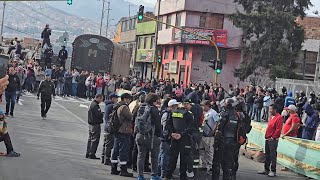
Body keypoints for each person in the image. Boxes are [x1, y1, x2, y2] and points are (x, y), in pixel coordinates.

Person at [165, 99, 195, 180]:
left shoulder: (172, 113)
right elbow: (191, 128)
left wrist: (172, 133)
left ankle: (168, 176)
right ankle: (182, 177)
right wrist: (181, 134)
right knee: (184, 160)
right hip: (185, 139)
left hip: (174, 138)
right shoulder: (188, 114)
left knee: (172, 158)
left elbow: (168, 125)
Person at [212, 98, 240, 180]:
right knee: (228, 163)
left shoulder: (224, 114)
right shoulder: (237, 115)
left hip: (222, 140)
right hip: (233, 141)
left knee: (217, 162)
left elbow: (219, 129)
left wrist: (215, 142)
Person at [136, 93, 162, 180]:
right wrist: (159, 135)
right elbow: (158, 124)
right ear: (154, 101)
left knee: (141, 156)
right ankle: (154, 175)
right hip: (152, 135)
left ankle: (140, 176)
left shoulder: (140, 107)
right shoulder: (154, 110)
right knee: (154, 156)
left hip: (140, 134)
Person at [110, 93, 134, 177]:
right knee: (123, 150)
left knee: (116, 149)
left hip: (117, 130)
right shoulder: (124, 107)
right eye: (129, 99)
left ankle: (113, 168)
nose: (129, 101)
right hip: (123, 131)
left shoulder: (117, 106)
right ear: (125, 99)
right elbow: (131, 117)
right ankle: (123, 170)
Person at [258, 104, 283, 177]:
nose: (269, 110)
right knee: (267, 155)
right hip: (268, 138)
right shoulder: (271, 117)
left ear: (275, 110)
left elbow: (278, 129)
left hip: (273, 139)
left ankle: (273, 170)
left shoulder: (279, 118)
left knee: (272, 155)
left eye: (271, 109)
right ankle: (266, 169)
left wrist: (273, 137)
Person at [158, 99, 179, 178]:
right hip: (165, 138)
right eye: (175, 106)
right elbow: (165, 127)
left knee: (162, 155)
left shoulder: (164, 112)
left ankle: (159, 172)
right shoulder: (168, 114)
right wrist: (170, 134)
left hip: (163, 137)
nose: (176, 107)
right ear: (172, 106)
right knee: (164, 156)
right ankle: (163, 174)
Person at [199, 100, 219, 175]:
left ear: (207, 105)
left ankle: (210, 167)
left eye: (203, 105)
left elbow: (217, 122)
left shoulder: (213, 112)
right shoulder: (203, 112)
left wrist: (213, 131)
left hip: (209, 135)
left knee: (209, 151)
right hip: (202, 134)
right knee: (202, 150)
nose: (202, 107)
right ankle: (203, 165)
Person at [101, 93, 119, 165]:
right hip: (110, 127)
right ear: (112, 98)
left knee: (105, 143)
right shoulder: (112, 106)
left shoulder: (107, 105)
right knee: (109, 144)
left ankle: (103, 157)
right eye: (116, 98)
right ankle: (107, 159)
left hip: (106, 126)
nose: (117, 99)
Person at [86, 94, 104, 159]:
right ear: (98, 98)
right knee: (95, 139)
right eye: (101, 99)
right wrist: (102, 114)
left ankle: (88, 152)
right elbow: (98, 114)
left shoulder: (92, 104)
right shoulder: (95, 105)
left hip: (91, 124)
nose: (102, 100)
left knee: (90, 139)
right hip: (95, 124)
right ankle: (92, 153)